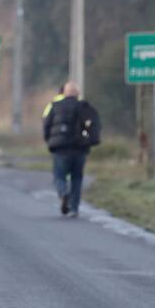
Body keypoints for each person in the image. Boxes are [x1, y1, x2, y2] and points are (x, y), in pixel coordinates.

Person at [43, 81, 96, 217]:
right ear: (77, 93)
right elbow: (92, 125)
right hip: (79, 148)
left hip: (60, 148)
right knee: (77, 178)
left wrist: (49, 140)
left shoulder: (54, 106)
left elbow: (46, 124)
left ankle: (63, 193)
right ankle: (74, 208)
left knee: (59, 175)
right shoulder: (84, 107)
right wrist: (89, 142)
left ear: (64, 93)